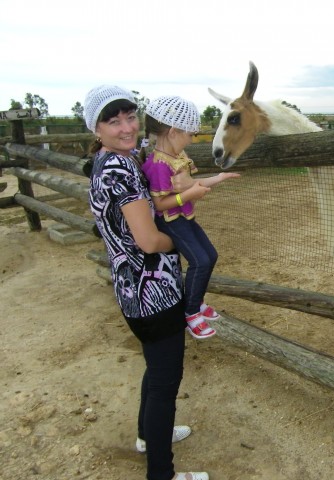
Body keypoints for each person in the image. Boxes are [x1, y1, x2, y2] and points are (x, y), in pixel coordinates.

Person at [85, 85, 209, 480]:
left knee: (155, 372)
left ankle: (146, 436)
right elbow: (149, 240)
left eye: (130, 117)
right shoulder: (119, 170)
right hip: (152, 296)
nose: (126, 128)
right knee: (164, 384)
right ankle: (162, 474)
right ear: (97, 130)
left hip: (133, 292)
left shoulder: (113, 161)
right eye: (113, 121)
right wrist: (183, 244)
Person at [140, 95, 240, 339]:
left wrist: (217, 178)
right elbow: (159, 203)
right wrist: (189, 195)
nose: (192, 138)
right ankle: (191, 313)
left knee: (211, 256)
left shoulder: (176, 157)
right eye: (191, 134)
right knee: (200, 261)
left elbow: (192, 183)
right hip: (171, 221)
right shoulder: (158, 165)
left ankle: (196, 300)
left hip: (185, 218)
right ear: (174, 131)